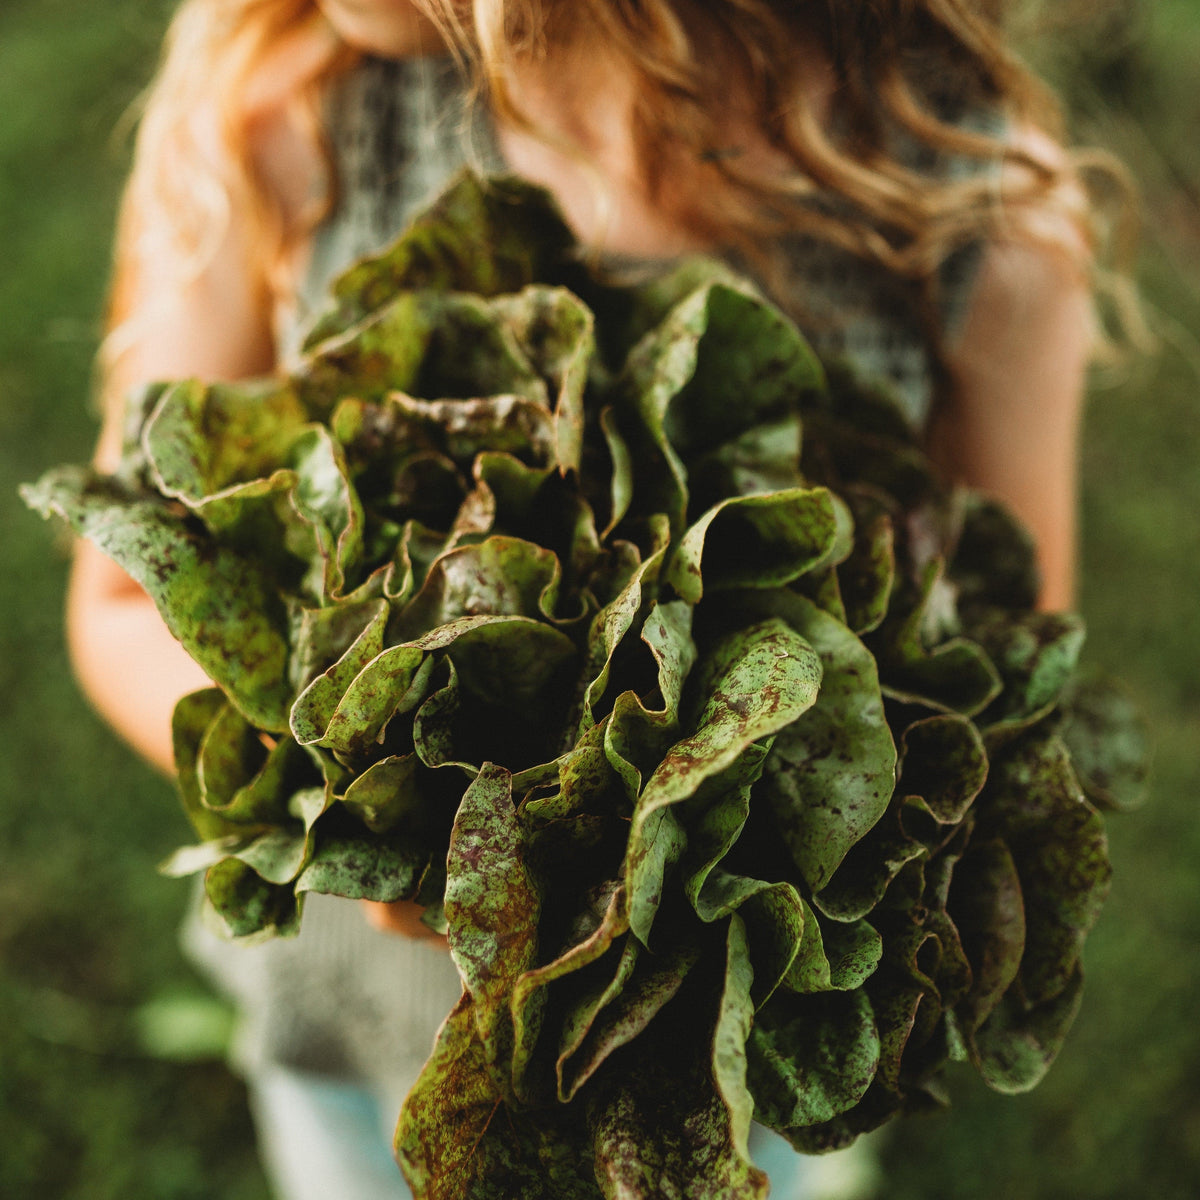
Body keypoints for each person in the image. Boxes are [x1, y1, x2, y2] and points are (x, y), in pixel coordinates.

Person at [65, 1, 1124, 1197]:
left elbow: (1002, 697)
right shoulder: (277, 122)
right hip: (357, 1018)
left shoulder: (974, 211)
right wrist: (366, 794)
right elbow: (117, 597)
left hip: (726, 1080)